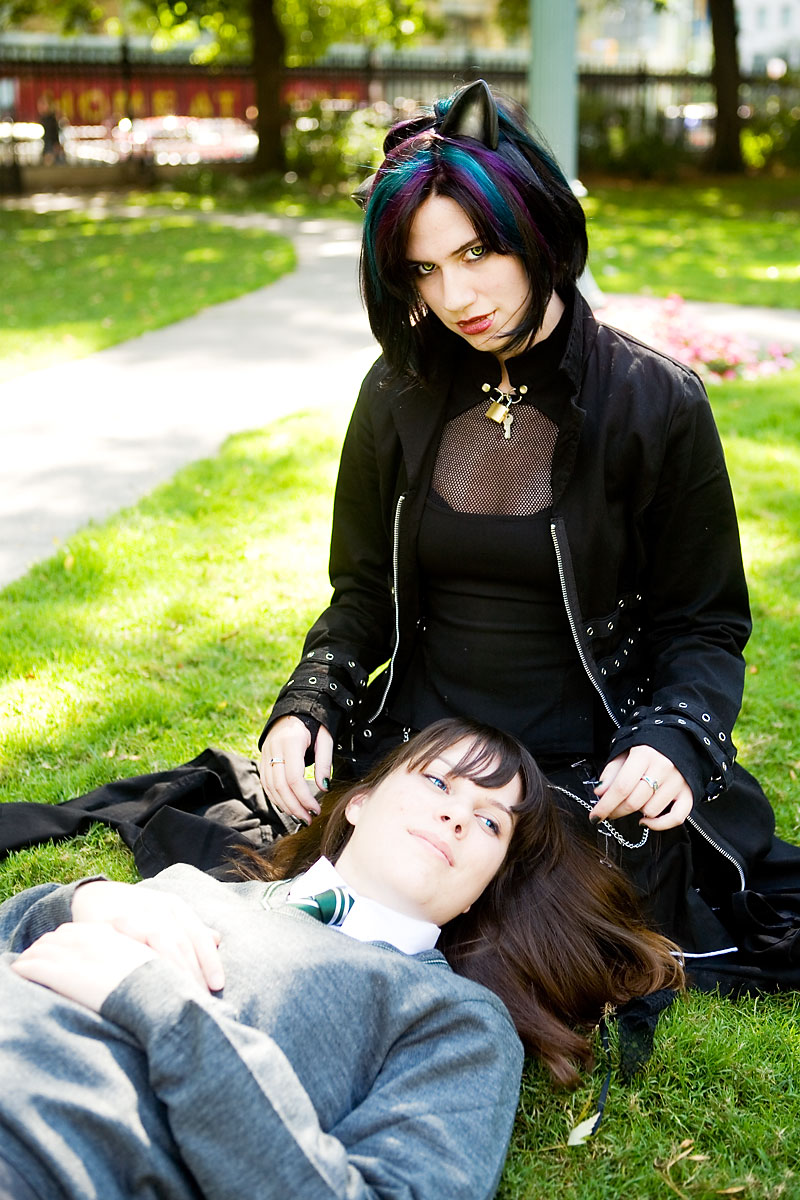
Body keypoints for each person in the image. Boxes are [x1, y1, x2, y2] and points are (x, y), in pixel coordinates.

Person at [259, 80, 800, 992]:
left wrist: (671, 740)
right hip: (420, 753)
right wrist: (310, 700)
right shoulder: (395, 392)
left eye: (477, 252)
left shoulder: (654, 402)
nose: (455, 296)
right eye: (423, 271)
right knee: (380, 882)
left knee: (535, 913)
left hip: (589, 769)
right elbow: (361, 596)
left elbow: (705, 626)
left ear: (537, 228)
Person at [0, 719, 680, 1200]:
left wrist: (167, 1012)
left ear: (484, 885)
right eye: (439, 783)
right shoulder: (195, 887)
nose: (457, 818)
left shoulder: (456, 1019)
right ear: (358, 803)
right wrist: (79, 901)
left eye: (490, 822)